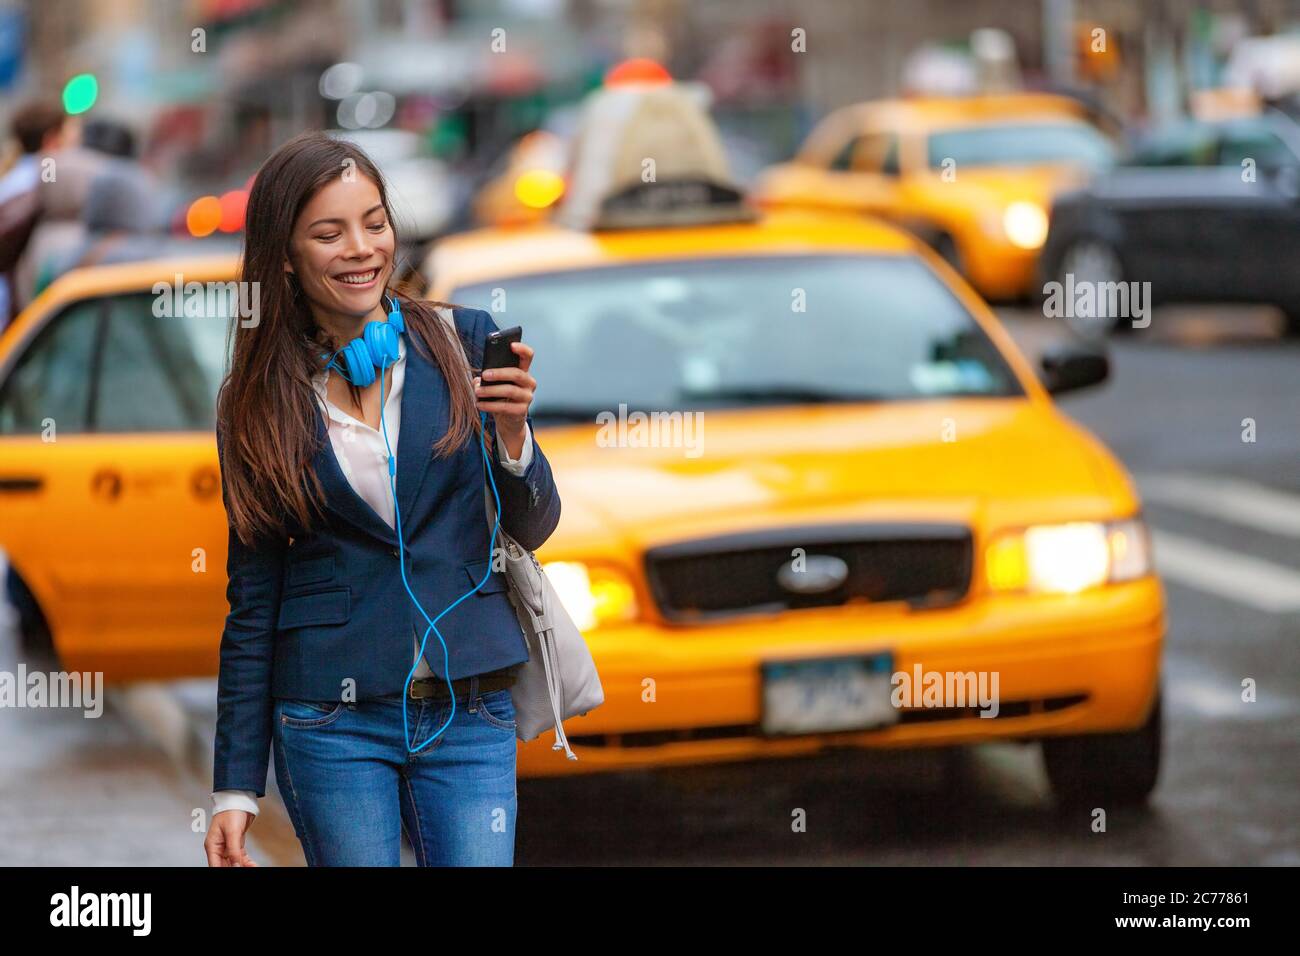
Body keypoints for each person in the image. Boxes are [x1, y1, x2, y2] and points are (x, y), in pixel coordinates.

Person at [203, 131, 561, 867]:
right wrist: (235, 788)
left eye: (374, 222)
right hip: (331, 722)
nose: (362, 248)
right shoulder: (255, 402)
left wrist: (514, 435)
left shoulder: (464, 345)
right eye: (329, 233)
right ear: (285, 258)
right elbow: (253, 600)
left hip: (469, 708)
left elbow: (534, 525)